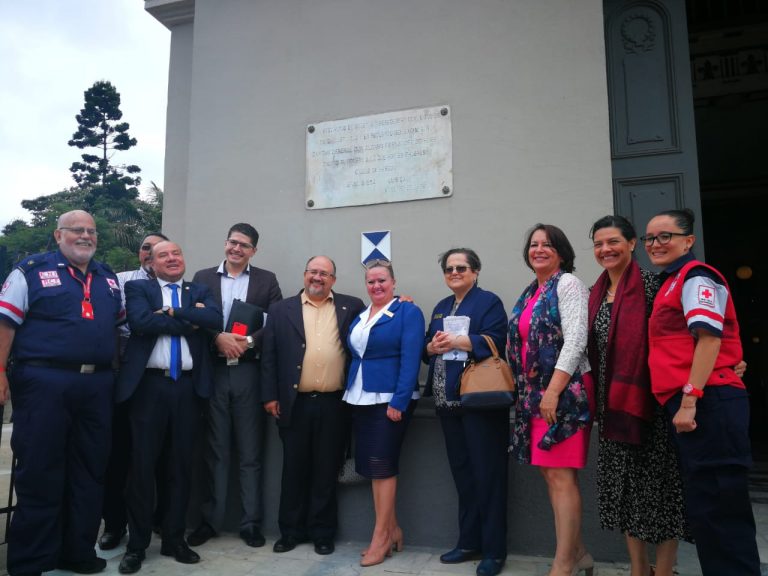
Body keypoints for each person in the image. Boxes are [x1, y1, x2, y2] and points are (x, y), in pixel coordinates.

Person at [0, 210, 124, 576]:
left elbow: (117, 329)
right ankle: (32, 560)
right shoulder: (30, 271)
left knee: (89, 470)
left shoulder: (108, 278)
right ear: (58, 235)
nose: (85, 236)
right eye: (77, 230)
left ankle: (77, 552)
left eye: (91, 231)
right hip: (43, 382)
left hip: (97, 385)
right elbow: (5, 323)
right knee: (40, 469)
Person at [643, 208, 760, 576]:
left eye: (666, 236)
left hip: (708, 402)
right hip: (694, 402)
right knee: (708, 508)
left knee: (722, 508)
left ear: (688, 241)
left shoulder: (696, 276)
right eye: (650, 238)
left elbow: (710, 338)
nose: (656, 244)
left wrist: (690, 398)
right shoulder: (671, 281)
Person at [587, 215, 688, 576]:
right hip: (611, 408)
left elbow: (682, 339)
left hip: (651, 406)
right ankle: (637, 568)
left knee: (658, 493)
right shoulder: (594, 293)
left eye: (613, 241)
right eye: (598, 244)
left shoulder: (653, 287)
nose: (605, 249)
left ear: (632, 244)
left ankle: (663, 570)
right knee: (625, 493)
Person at [115, 241, 222, 574]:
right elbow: (141, 323)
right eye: (163, 255)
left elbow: (214, 319)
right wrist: (192, 320)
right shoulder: (138, 288)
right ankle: (137, 545)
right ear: (151, 262)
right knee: (142, 468)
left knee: (180, 467)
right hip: (149, 388)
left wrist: (173, 312)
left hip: (188, 389)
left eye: (176, 253)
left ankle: (175, 539)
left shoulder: (200, 288)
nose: (172, 259)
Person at [261, 255, 364, 555]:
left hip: (335, 403)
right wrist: (269, 396)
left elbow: (377, 316)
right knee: (293, 469)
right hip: (294, 403)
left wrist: (401, 301)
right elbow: (269, 356)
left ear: (334, 279)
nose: (318, 278)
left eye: (325, 273)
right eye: (313, 272)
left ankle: (322, 532)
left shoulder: (351, 305)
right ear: (305, 275)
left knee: (326, 470)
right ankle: (290, 532)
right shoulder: (281, 310)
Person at [188, 223, 282, 548]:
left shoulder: (266, 280)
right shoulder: (202, 278)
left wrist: (248, 343)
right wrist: (217, 338)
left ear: (253, 250)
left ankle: (251, 523)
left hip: (248, 372)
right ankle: (209, 522)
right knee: (215, 450)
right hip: (213, 371)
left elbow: (276, 322)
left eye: (244, 245)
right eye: (232, 242)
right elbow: (191, 319)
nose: (236, 249)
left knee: (250, 453)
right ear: (225, 243)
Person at [508, 224, 594, 576]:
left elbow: (575, 341)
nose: (539, 249)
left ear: (561, 252)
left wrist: (554, 391)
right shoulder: (532, 292)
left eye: (547, 244)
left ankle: (564, 564)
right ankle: (580, 553)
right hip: (536, 393)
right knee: (550, 474)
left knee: (561, 476)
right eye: (533, 244)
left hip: (565, 390)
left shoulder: (569, 284)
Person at [423, 248, 509, 576]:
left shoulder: (488, 302)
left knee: (488, 476)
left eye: (461, 267)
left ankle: (494, 550)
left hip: (480, 404)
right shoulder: (441, 307)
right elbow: (428, 348)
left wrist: (460, 341)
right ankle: (469, 541)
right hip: (447, 405)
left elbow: (498, 340)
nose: (455, 272)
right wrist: (430, 347)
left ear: (475, 271)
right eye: (449, 268)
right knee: (464, 476)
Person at [344, 259, 424, 568]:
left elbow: (411, 356)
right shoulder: (361, 316)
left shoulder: (407, 312)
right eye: (371, 282)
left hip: (390, 399)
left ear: (393, 282)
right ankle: (391, 529)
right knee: (373, 468)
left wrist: (400, 400)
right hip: (360, 398)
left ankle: (380, 536)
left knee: (383, 466)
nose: (376, 286)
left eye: (382, 281)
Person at [100, 231, 169, 551]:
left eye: (159, 249)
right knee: (119, 456)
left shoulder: (175, 285)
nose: (151, 253)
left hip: (158, 382)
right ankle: (114, 525)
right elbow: (118, 325)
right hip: (122, 379)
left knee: (155, 457)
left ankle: (155, 519)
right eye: (146, 248)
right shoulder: (118, 280)